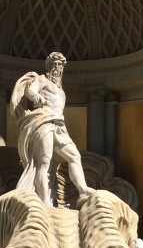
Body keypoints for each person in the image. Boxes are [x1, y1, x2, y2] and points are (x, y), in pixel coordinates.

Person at [10, 52, 94, 207]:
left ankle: (82, 190)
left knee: (74, 156)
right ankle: (45, 202)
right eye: (54, 64)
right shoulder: (42, 79)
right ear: (48, 66)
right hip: (43, 122)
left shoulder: (61, 91)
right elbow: (30, 90)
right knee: (44, 161)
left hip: (59, 126)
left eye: (60, 65)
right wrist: (36, 96)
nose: (57, 68)